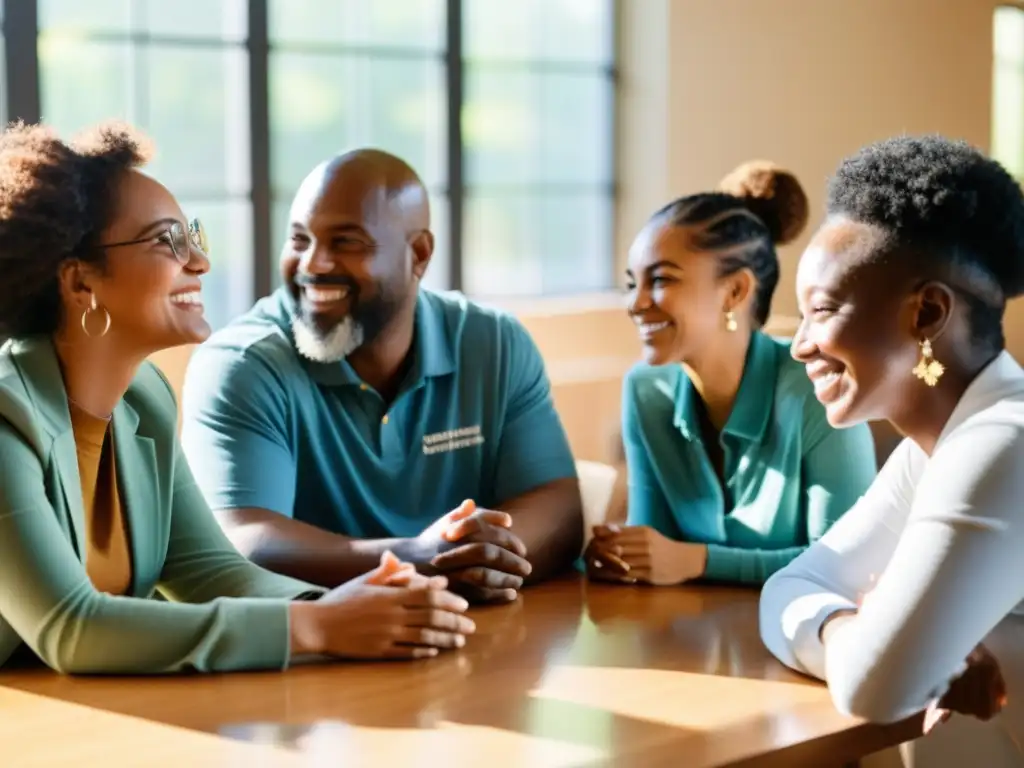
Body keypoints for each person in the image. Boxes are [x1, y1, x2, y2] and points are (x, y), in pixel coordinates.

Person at [0, 121, 474, 675]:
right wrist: (319, 628)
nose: (199, 262)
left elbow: (211, 572)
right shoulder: (8, 420)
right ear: (81, 283)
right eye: (166, 241)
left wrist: (359, 602)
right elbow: (71, 629)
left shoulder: (144, 403)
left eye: (193, 235)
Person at [180, 148, 582, 604]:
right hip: (313, 646)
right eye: (299, 240)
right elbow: (242, 537)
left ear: (419, 254)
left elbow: (558, 503)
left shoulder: (494, 343)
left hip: (480, 635)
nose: (314, 264)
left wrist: (485, 558)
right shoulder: (243, 364)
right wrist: (413, 557)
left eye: (346, 242)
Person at [759, 135, 1024, 765]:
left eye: (821, 310)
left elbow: (875, 688)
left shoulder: (1002, 444)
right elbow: (791, 585)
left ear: (928, 312)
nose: (799, 346)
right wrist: (860, 630)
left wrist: (894, 650)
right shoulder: (934, 447)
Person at [585, 162, 877, 587]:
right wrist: (618, 553)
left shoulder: (819, 386)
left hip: (799, 637)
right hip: (687, 638)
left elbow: (845, 566)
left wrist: (699, 561)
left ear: (736, 291)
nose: (635, 303)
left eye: (661, 279)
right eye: (633, 283)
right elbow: (653, 550)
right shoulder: (646, 390)